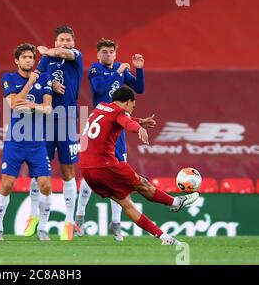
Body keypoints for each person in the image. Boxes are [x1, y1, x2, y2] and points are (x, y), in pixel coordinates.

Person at [79, 87, 199, 245]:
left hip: (86, 169)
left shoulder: (100, 108)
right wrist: (139, 128)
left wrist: (140, 121)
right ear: (128, 102)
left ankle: (164, 237)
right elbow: (126, 122)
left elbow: (120, 120)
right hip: (104, 166)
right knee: (143, 184)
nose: (131, 109)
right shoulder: (120, 113)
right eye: (132, 106)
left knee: (126, 203)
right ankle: (174, 203)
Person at [76, 38, 146, 240]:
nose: (108, 55)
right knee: (91, 172)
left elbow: (138, 89)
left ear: (116, 54)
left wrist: (138, 69)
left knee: (120, 173)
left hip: (116, 127)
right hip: (98, 127)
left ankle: (116, 223)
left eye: (111, 52)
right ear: (98, 55)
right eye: (104, 52)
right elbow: (99, 90)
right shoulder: (95, 70)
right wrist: (118, 72)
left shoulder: (121, 69)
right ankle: (79, 217)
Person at [25, 25, 83, 241]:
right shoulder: (46, 61)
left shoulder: (75, 56)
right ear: (56, 41)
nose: (65, 43)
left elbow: (61, 54)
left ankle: (69, 222)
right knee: (40, 170)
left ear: (73, 43)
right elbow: (33, 79)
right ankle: (34, 217)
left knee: (68, 171)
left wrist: (47, 50)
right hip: (45, 120)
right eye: (61, 40)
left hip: (67, 120)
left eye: (69, 39)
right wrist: (49, 82)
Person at [0, 43, 53, 241]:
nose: (29, 60)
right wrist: (29, 85)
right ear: (16, 60)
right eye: (25, 57)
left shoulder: (44, 79)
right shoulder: (9, 78)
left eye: (31, 57)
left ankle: (43, 229)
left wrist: (31, 105)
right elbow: (12, 104)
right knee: (7, 184)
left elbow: (48, 108)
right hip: (15, 141)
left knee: (45, 185)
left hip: (37, 142)